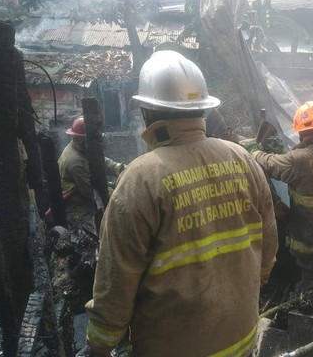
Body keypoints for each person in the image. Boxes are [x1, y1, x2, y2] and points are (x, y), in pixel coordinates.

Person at [81, 50, 278, 357]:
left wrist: (99, 345)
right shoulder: (244, 160)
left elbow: (115, 285)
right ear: (202, 111)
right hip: (241, 340)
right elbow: (267, 248)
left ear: (148, 112)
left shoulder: (140, 179)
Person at [246, 101, 313, 292]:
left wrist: (254, 151)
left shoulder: (298, 160)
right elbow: (306, 163)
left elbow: (271, 164)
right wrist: (286, 152)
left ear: (302, 132)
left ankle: (311, 316)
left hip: (312, 238)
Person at [58, 116, 126, 225]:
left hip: (85, 200)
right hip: (79, 209)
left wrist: (117, 167)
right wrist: (118, 195)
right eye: (91, 138)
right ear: (81, 138)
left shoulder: (80, 147)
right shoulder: (75, 162)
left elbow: (97, 159)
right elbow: (89, 191)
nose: (95, 141)